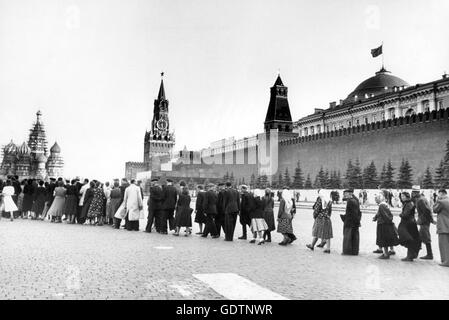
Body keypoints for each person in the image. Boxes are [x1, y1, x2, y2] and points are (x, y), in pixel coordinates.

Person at [411, 186, 435, 260]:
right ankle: (416, 254)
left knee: (424, 237)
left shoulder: (420, 200)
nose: (412, 193)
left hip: (424, 221)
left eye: (413, 192)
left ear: (416, 193)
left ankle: (429, 254)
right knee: (421, 237)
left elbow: (427, 211)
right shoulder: (421, 198)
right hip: (424, 221)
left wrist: (430, 220)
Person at [373, 193, 399, 259]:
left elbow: (385, 215)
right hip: (386, 223)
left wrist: (387, 221)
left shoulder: (382, 205)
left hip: (383, 224)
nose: (375, 200)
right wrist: (376, 217)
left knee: (384, 239)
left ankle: (386, 254)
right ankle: (390, 251)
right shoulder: (384, 204)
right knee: (388, 238)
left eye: (376, 199)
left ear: (379, 199)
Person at [398, 191, 421, 262]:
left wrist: (400, 214)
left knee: (409, 239)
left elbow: (405, 215)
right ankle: (410, 255)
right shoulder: (408, 203)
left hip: (409, 224)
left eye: (403, 196)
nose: (401, 198)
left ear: (406, 196)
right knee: (410, 239)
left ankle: (410, 256)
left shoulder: (408, 204)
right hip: (410, 223)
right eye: (401, 196)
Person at [340, 189, 361, 255]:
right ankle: (354, 251)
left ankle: (346, 251)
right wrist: (358, 221)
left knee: (347, 237)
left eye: (345, 193)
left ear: (350, 194)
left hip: (350, 222)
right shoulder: (355, 200)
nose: (344, 195)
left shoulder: (350, 201)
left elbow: (353, 213)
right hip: (354, 222)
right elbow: (358, 212)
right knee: (354, 238)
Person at [433, 189, 449, 267]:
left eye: (438, 194)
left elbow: (434, 210)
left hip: (443, 226)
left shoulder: (441, 202)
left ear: (441, 194)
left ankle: (446, 261)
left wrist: (437, 200)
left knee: (443, 244)